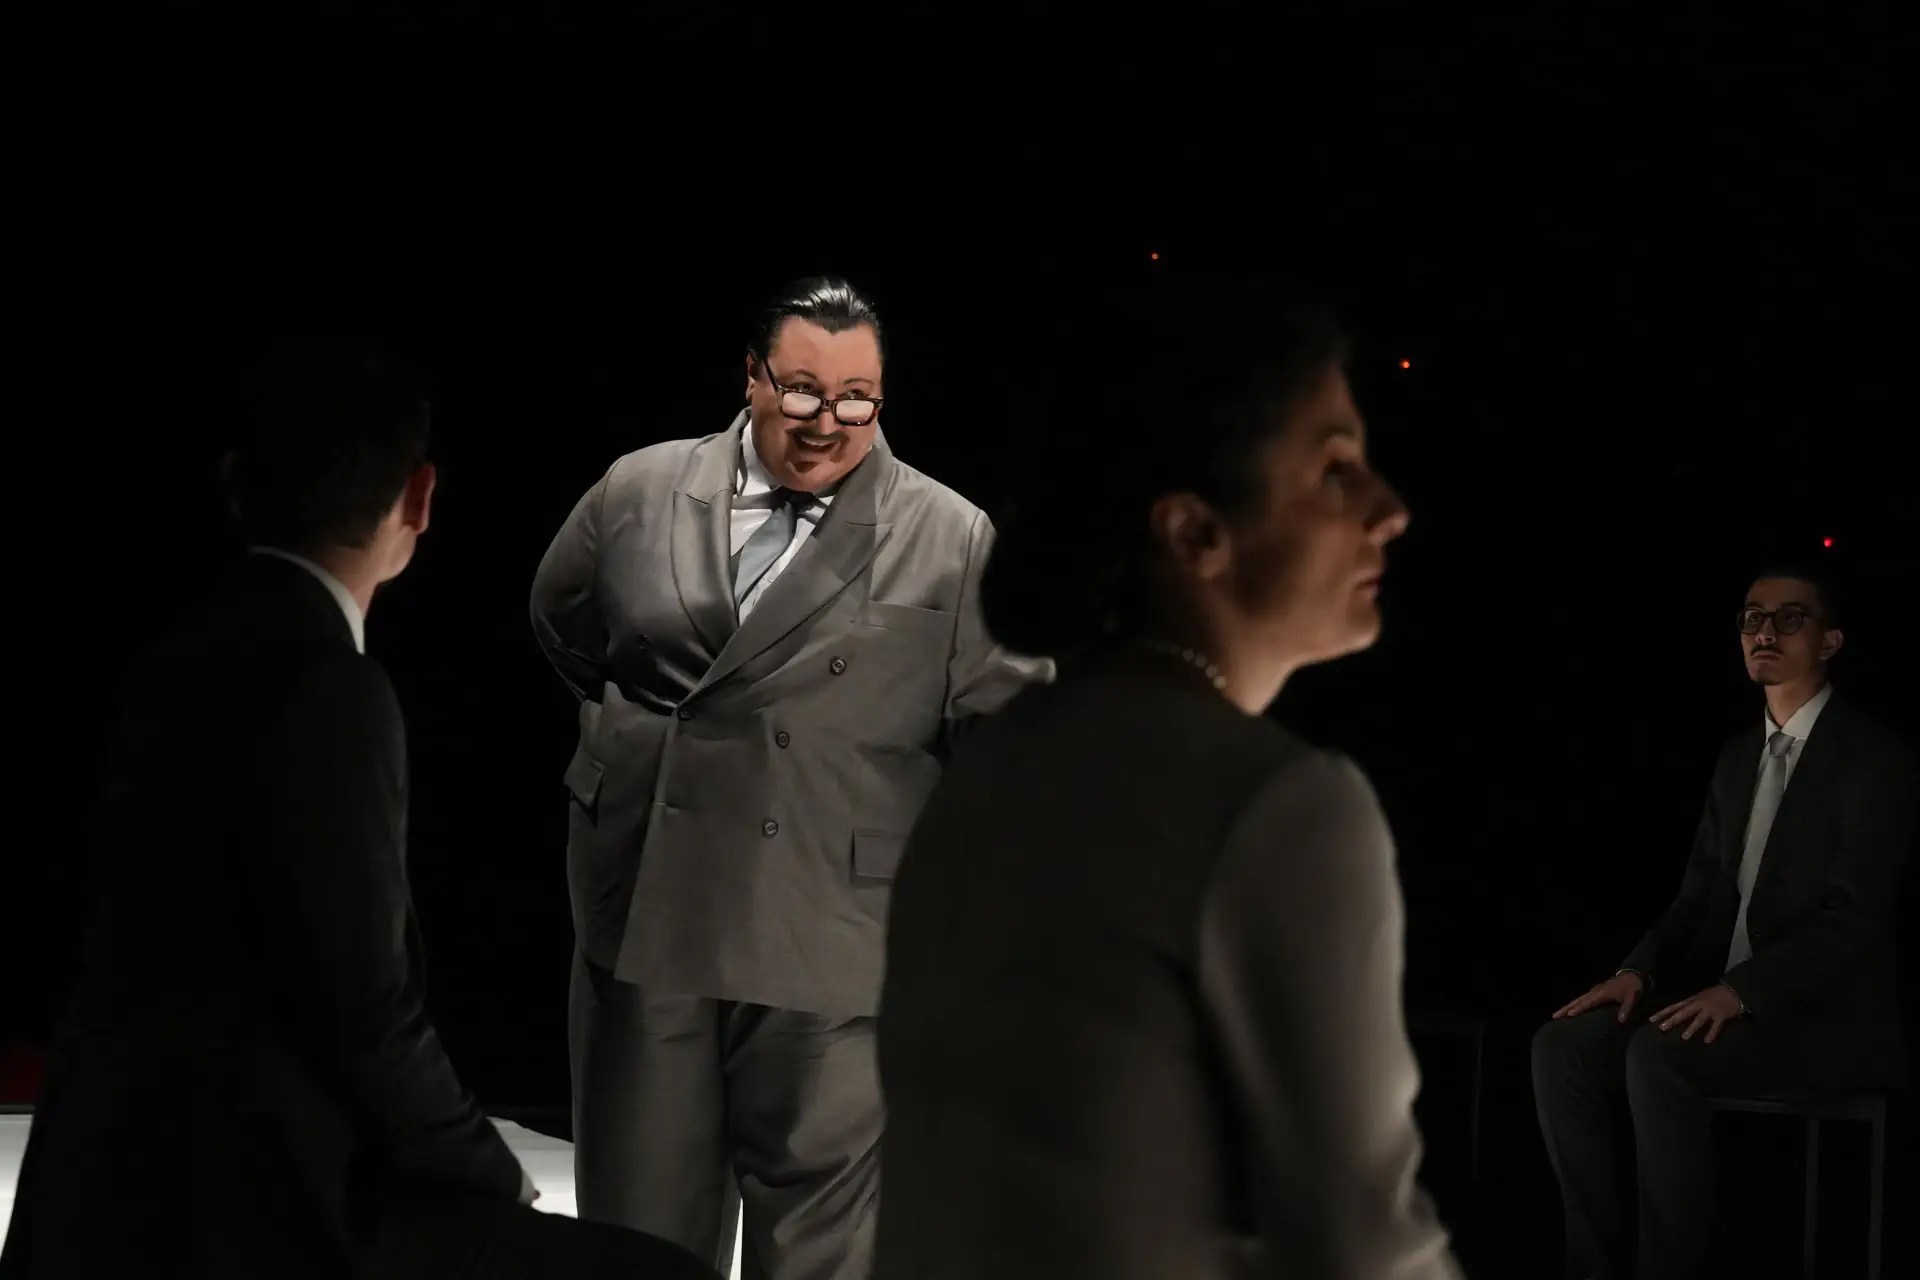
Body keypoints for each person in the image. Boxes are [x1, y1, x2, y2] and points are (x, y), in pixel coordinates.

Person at [0, 342, 713, 1279]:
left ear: (235, 485)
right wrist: (487, 1169)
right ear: (419, 498)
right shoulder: (330, 687)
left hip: (102, 1182)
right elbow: (361, 1008)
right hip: (246, 1201)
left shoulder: (174, 662)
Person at [873, 277, 1464, 1278]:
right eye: (1335, 470)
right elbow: (1364, 1246)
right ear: (1195, 533)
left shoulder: (997, 759)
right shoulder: (1281, 806)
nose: (1391, 510)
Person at [529, 277, 1049, 1279]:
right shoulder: (639, 490)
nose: (827, 422)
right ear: (753, 377)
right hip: (653, 907)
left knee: (824, 1252)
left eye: (857, 400)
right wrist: (652, 751)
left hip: (834, 935)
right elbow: (566, 626)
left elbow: (1015, 739)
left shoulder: (949, 533)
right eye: (803, 390)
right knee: (639, 1238)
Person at [1532, 566, 1917, 1280]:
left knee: (1658, 1055)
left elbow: (1852, 919)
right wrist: (1636, 971)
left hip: (1819, 1019)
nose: (1764, 631)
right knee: (1563, 1048)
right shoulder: (1738, 759)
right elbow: (1696, 898)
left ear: (1830, 641)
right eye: (1751, 618)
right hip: (1721, 1001)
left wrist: (1741, 991)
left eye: (1789, 618)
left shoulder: (1873, 759)